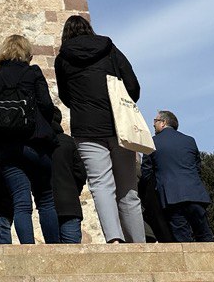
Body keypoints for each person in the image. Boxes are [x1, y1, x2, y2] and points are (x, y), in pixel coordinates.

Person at [53, 14, 145, 243]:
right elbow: (133, 84)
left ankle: (114, 239)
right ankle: (139, 243)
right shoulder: (109, 48)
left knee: (101, 184)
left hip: (86, 128)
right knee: (128, 189)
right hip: (118, 124)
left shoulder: (62, 58)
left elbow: (65, 96)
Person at [0, 33, 60, 244]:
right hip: (36, 144)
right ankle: (55, 250)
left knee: (21, 202)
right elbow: (46, 105)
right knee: (46, 200)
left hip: (7, 148)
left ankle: (28, 249)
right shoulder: (33, 73)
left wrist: (2, 122)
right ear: (26, 52)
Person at [140, 110, 214, 242]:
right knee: (204, 234)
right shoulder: (190, 140)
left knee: (182, 238)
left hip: (171, 197)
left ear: (163, 123)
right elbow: (197, 167)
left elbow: (146, 174)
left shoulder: (151, 143)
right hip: (195, 194)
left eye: (155, 122)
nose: (153, 125)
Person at [50, 111, 87, 243]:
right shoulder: (68, 142)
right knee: (72, 253)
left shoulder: (39, 144)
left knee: (52, 254)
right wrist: (73, 190)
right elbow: (81, 173)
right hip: (70, 205)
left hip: (48, 205)